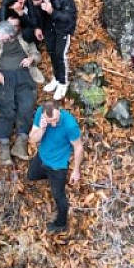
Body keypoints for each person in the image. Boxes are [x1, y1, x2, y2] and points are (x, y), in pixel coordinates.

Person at [0, 20, 42, 166]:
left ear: (8, 35)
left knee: (26, 106)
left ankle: (21, 143)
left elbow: (37, 55)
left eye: (0, 34)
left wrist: (31, 59)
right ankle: (4, 145)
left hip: (24, 75)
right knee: (6, 108)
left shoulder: (24, 39)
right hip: (4, 77)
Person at [26, 100, 83, 233]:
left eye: (56, 119)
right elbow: (33, 138)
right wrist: (42, 127)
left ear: (60, 110)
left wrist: (76, 170)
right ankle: (47, 176)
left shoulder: (70, 125)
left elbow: (78, 148)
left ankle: (61, 224)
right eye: (50, 120)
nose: (54, 123)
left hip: (58, 166)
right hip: (42, 157)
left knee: (59, 196)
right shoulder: (41, 113)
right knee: (31, 176)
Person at [28, 0, 77, 101]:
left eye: (37, 1)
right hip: (47, 26)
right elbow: (33, 12)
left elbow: (69, 18)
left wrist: (52, 12)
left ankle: (63, 83)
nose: (34, 3)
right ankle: (57, 78)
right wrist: (37, 27)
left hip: (63, 27)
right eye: (32, 1)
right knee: (51, 52)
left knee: (60, 54)